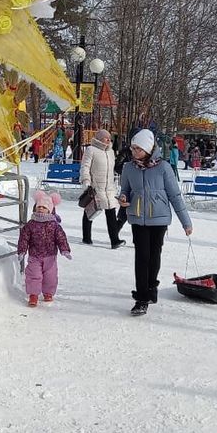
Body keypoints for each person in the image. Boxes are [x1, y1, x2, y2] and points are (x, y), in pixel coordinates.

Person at [119, 129, 192, 316]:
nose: (135, 152)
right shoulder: (128, 168)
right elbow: (125, 190)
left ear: (149, 148)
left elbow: (175, 196)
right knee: (141, 257)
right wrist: (123, 198)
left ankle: (152, 286)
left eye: (139, 149)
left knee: (154, 256)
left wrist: (186, 222)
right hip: (137, 218)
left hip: (159, 219)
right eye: (133, 148)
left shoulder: (164, 168)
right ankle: (142, 298)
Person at [18, 190, 71, 307]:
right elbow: (24, 238)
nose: (41, 209)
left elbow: (61, 238)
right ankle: (33, 294)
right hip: (34, 256)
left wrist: (65, 250)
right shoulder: (31, 224)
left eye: (44, 207)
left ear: (50, 210)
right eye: (39, 206)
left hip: (50, 256)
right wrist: (22, 251)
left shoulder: (54, 225)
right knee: (33, 275)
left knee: (50, 276)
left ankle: (48, 293)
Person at [80, 128, 125, 249]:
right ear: (100, 138)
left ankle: (114, 240)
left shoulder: (111, 152)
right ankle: (86, 237)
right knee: (90, 211)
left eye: (110, 138)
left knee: (111, 213)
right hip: (96, 187)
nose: (108, 140)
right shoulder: (91, 150)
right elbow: (85, 166)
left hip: (109, 188)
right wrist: (86, 180)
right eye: (106, 138)